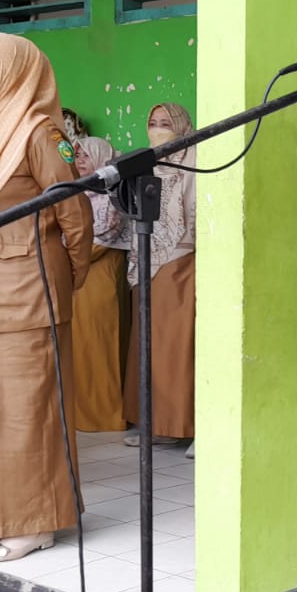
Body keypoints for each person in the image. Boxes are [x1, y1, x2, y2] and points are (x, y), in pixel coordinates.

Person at [0, 32, 92, 561]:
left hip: (27, 291)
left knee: (26, 410)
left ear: (9, 71)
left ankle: (34, 521)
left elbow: (73, 212)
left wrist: (67, 275)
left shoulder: (39, 132)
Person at [122, 102, 196, 455]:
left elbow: (197, 215)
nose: (158, 128)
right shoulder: (146, 164)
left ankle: (189, 425)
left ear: (182, 125)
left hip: (182, 266)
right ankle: (157, 425)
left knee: (177, 348)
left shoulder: (193, 162)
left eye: (166, 123)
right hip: (146, 264)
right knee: (150, 347)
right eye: (152, 122)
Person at [71, 135, 130, 432]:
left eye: (85, 155)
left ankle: (106, 414)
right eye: (76, 154)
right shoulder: (72, 193)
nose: (79, 160)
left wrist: (67, 254)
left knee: (101, 345)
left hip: (101, 274)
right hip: (77, 277)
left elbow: (104, 236)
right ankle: (80, 413)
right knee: (80, 348)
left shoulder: (113, 193)